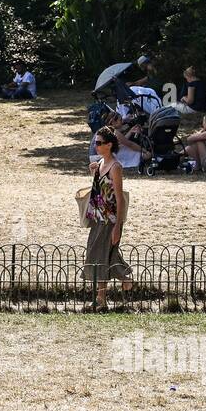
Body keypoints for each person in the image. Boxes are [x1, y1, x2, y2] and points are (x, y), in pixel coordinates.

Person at [82, 126, 133, 310]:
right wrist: (93, 174)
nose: (96, 146)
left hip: (110, 220)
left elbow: (119, 199)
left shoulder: (115, 167)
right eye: (95, 142)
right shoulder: (100, 164)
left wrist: (117, 226)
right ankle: (124, 278)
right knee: (100, 254)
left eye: (99, 143)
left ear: (109, 145)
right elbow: (100, 192)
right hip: (97, 218)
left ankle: (103, 297)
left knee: (101, 256)